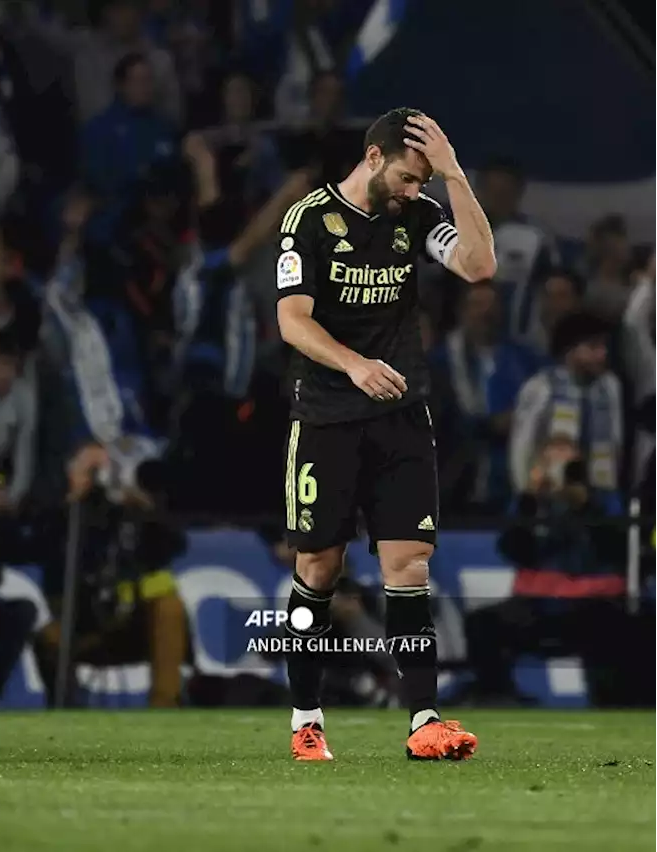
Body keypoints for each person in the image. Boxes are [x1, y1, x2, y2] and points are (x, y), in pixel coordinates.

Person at [274, 108, 497, 761]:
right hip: (325, 416)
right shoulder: (308, 222)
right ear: (373, 158)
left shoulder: (417, 213)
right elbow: (292, 321)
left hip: (401, 414)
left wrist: (453, 172)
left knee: (409, 563)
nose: (411, 190)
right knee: (319, 566)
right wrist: (354, 364)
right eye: (406, 177)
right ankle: (306, 720)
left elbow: (479, 266)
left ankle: (425, 720)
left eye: (421, 180)